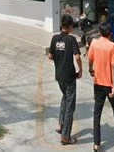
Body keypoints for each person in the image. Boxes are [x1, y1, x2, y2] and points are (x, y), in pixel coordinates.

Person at [88, 22, 114, 151]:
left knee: (97, 113)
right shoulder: (113, 46)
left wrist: (91, 69)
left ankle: (96, 143)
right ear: (110, 33)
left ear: (100, 32)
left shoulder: (94, 43)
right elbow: (113, 67)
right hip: (109, 83)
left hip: (98, 83)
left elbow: (90, 60)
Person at [48, 14, 82, 145]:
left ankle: (61, 125)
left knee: (65, 98)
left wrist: (59, 61)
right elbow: (77, 57)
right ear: (70, 26)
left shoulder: (55, 38)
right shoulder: (71, 39)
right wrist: (80, 70)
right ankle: (66, 136)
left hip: (59, 76)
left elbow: (50, 55)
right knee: (70, 106)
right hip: (69, 77)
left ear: (61, 25)